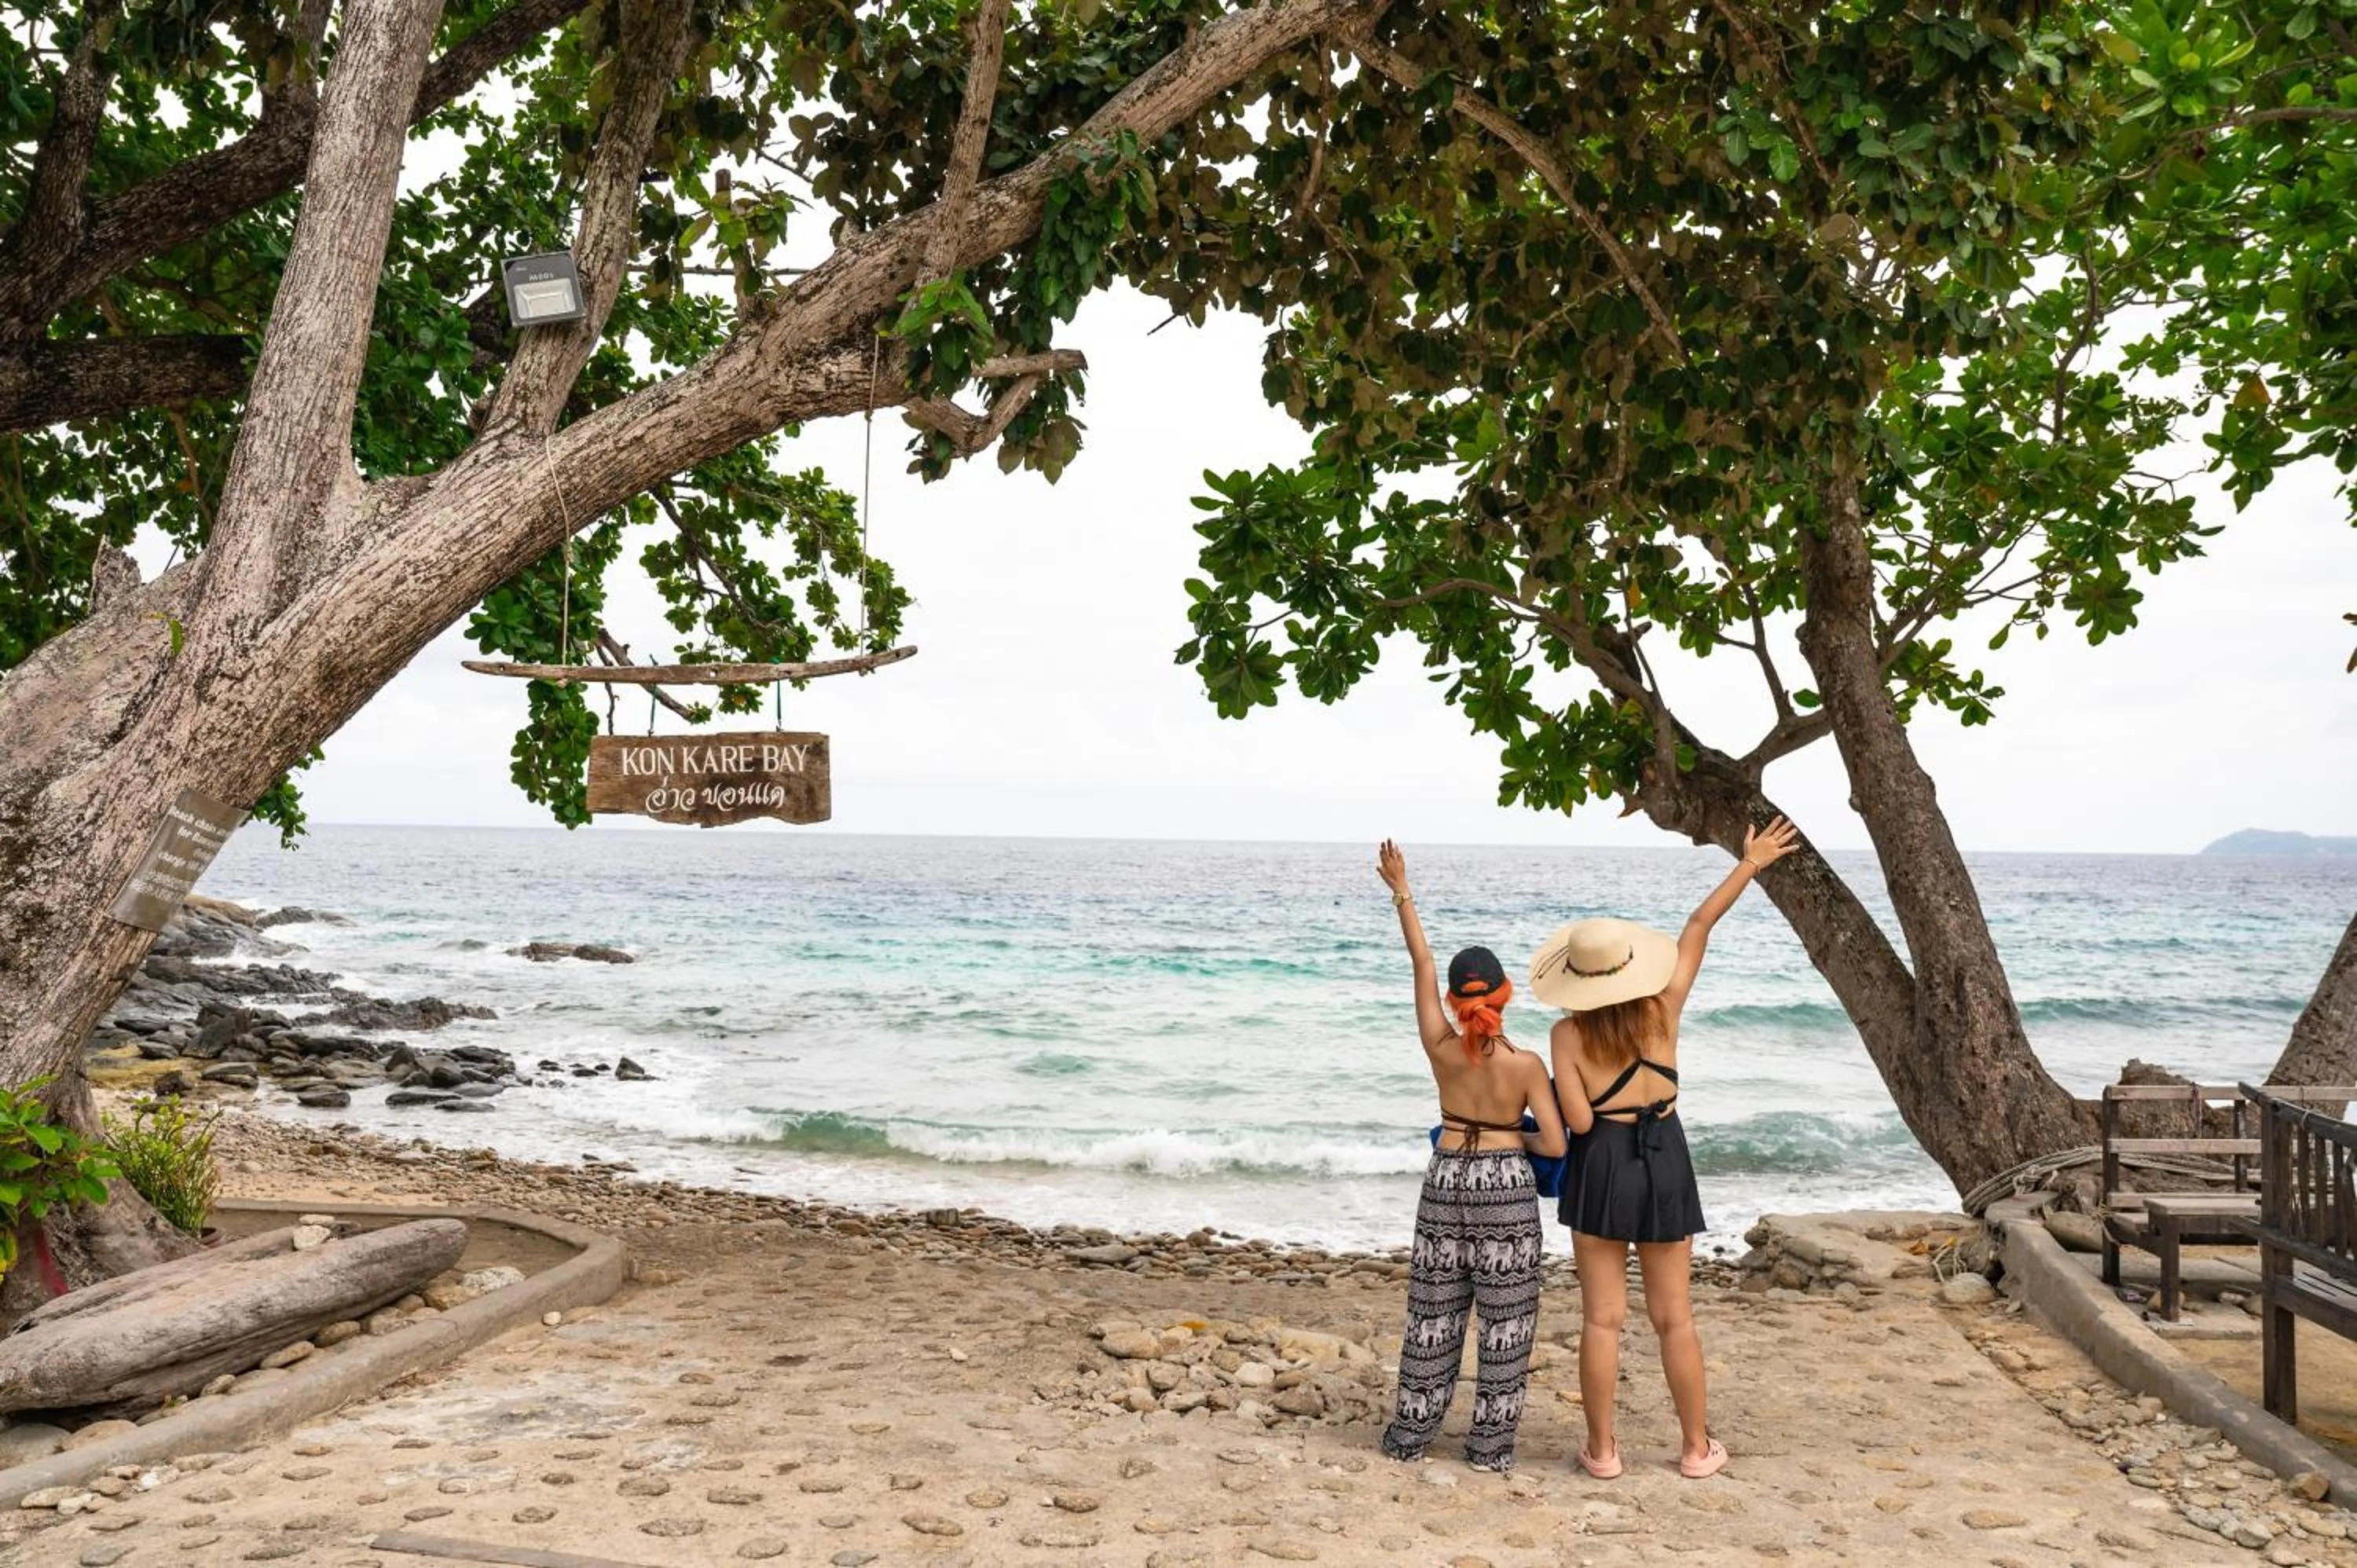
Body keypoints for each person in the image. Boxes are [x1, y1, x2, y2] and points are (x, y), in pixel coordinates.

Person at [1532, 816, 1801, 1482]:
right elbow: (1697, 927)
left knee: (1602, 1321)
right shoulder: (1663, 1010)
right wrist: (1750, 863)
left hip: (1602, 1167)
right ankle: (1694, 1448)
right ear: (1627, 968)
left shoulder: (1566, 1037)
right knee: (1674, 1319)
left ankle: (1602, 1453)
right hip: (1666, 1158)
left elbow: (1579, 1126)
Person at [1374, 840, 1567, 1475]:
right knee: (1506, 1319)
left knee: (1435, 1310)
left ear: (1457, 1003)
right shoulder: (1527, 1064)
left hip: (1446, 1176)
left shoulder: (1440, 1048)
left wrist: (1402, 891)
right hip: (1506, 1185)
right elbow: (1559, 1144)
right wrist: (1520, 1140)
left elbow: (1422, 961)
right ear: (1506, 996)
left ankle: (1410, 1437)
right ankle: (1488, 1450)